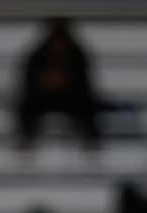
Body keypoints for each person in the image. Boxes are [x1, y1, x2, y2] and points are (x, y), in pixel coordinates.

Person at [15, 16, 101, 147]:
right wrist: (46, 82)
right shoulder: (38, 55)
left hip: (72, 96)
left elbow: (85, 83)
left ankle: (91, 141)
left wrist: (66, 82)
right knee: (27, 107)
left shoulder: (77, 55)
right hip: (43, 96)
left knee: (86, 107)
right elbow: (28, 82)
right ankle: (26, 140)